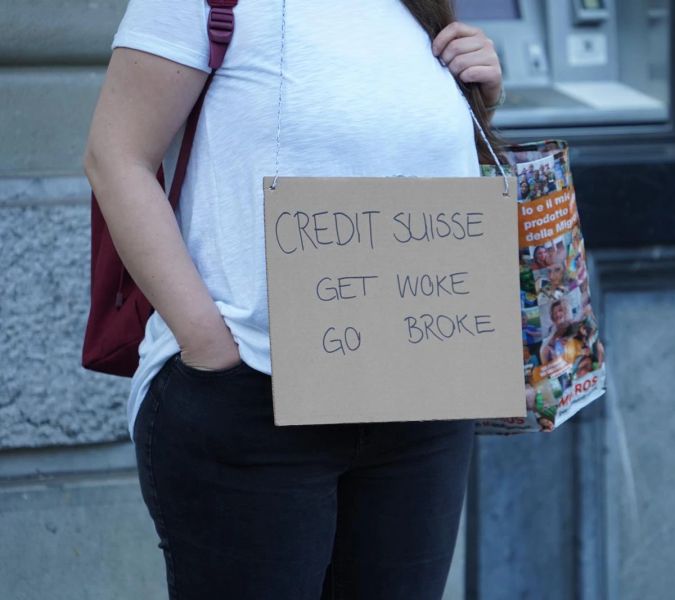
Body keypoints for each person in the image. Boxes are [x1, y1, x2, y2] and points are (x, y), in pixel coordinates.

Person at [82, 2, 504, 599]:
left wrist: (482, 97)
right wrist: (209, 346)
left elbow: (396, 154)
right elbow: (114, 156)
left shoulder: (418, 8)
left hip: (420, 403)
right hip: (256, 400)